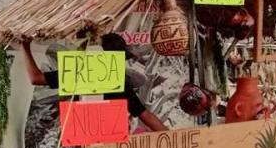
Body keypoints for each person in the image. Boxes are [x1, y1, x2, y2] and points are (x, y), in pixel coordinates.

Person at [21, 33, 167, 132]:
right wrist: (169, 134)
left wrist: (25, 47)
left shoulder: (80, 73)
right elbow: (144, 114)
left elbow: (36, 78)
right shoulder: (119, 83)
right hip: (111, 147)